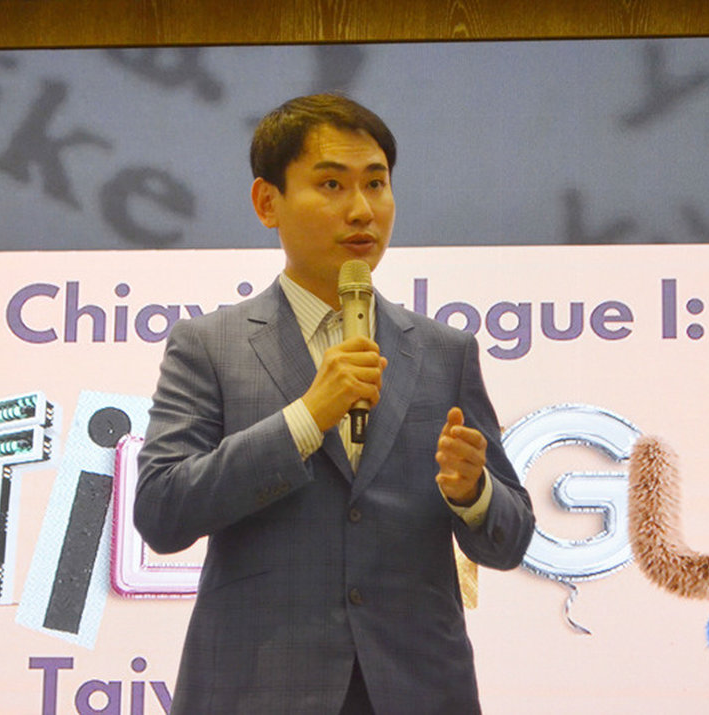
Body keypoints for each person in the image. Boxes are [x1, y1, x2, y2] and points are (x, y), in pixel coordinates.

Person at [134, 93, 534, 714]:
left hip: (419, 690)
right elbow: (162, 511)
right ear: (268, 202)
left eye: (376, 184)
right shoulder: (209, 346)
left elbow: (510, 540)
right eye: (331, 184)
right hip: (258, 692)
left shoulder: (444, 352)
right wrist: (305, 418)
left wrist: (473, 492)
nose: (361, 209)